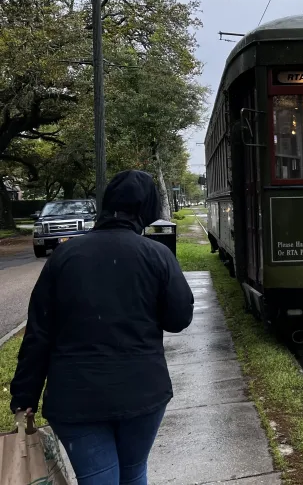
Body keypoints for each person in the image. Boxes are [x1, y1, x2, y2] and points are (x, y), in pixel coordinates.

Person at [9, 169, 194, 484]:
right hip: (142, 393)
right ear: (147, 208)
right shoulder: (157, 256)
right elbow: (179, 319)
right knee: (134, 472)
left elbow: (39, 332)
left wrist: (25, 396)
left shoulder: (63, 257)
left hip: (76, 398)